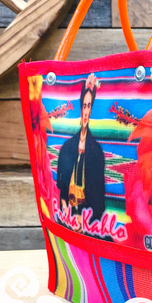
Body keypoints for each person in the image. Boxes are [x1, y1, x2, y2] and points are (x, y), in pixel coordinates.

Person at [56, 74, 106, 233]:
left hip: (90, 225)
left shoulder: (97, 152)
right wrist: (67, 216)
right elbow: (61, 191)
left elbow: (99, 199)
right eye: (84, 106)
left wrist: (87, 222)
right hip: (67, 222)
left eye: (89, 106)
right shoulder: (66, 147)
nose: (86, 111)